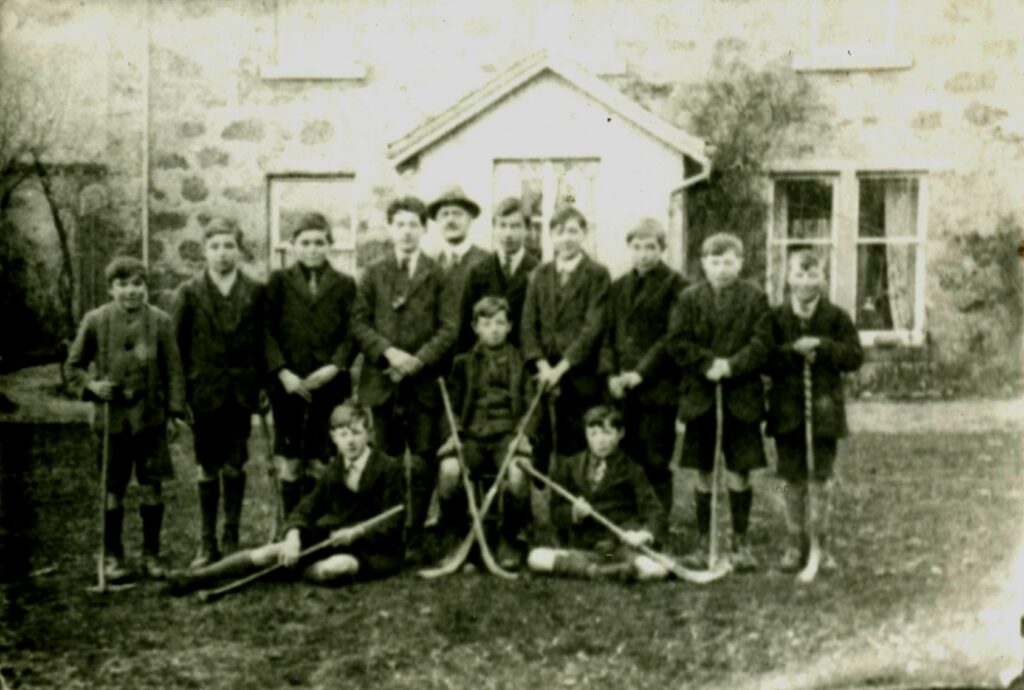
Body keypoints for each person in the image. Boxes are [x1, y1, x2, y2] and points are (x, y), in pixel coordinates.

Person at [166, 402, 405, 593]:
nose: (350, 441)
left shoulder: (388, 467)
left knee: (336, 569)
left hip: (374, 550)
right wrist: (293, 536)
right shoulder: (335, 468)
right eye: (343, 434)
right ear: (333, 437)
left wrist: (358, 533)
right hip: (332, 537)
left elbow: (394, 522)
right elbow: (306, 508)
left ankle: (299, 570)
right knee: (269, 552)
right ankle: (196, 577)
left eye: (356, 433)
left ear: (368, 434)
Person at [351, 196, 457, 565]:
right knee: (387, 460)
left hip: (423, 383)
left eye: (414, 224)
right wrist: (389, 354)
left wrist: (418, 361)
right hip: (383, 381)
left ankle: (415, 534)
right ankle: (388, 531)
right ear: (390, 229)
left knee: (423, 461)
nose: (407, 231)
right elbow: (358, 323)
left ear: (423, 229)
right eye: (400, 224)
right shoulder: (373, 272)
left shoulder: (438, 274)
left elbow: (449, 327)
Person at [65, 256, 186, 580]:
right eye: (123, 285)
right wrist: (92, 385)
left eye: (137, 284)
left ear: (146, 287)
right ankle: (112, 556)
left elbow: (174, 371)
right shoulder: (96, 320)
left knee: (152, 488)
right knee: (112, 489)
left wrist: (174, 413)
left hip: (150, 420)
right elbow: (72, 367)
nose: (131, 291)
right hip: (111, 420)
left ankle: (151, 555)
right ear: (110, 288)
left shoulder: (160, 321)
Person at [666, 233, 772, 571]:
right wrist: (707, 363)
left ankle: (740, 542)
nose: (722, 269)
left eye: (729, 262)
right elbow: (677, 341)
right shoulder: (688, 298)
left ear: (740, 263)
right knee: (703, 472)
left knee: (739, 471)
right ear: (703, 263)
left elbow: (762, 342)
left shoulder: (755, 298)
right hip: (701, 397)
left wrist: (732, 365)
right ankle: (703, 542)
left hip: (741, 399)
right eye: (715, 262)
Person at [172, 219, 266, 566]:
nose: (222, 254)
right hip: (204, 393)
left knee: (236, 464)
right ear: (204, 251)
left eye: (229, 246)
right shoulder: (189, 292)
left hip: (241, 393)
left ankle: (232, 535)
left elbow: (263, 343)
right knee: (207, 466)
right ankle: (207, 541)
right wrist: (178, 398)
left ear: (239, 250)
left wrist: (263, 387)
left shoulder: (255, 291)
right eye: (215, 246)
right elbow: (176, 349)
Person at [766, 248, 863, 572]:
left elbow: (853, 356)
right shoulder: (775, 317)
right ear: (787, 278)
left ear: (823, 279)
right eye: (798, 274)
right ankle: (795, 543)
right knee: (790, 477)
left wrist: (822, 346)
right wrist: (793, 351)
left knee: (821, 476)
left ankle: (822, 543)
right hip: (787, 411)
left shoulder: (836, 317)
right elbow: (763, 357)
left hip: (823, 410)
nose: (805, 282)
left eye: (813, 274)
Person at [264, 212, 358, 518]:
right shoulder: (278, 282)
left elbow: (353, 331)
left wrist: (335, 366)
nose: (312, 249)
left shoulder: (345, 284)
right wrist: (282, 372)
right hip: (289, 384)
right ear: (293, 246)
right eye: (305, 242)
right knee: (290, 458)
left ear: (329, 245)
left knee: (323, 454)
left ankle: (320, 521)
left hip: (329, 383)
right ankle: (290, 522)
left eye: (319, 242)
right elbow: (265, 331)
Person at [599, 218, 688, 539]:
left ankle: (657, 528)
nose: (643, 254)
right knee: (625, 458)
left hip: (657, 391)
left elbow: (671, 338)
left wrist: (640, 373)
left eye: (650, 247)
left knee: (654, 461)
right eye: (637, 247)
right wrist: (610, 374)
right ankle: (628, 523)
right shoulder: (618, 287)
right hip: (620, 391)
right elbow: (607, 335)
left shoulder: (677, 285)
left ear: (662, 249)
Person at [436, 296, 536, 568]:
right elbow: (450, 409)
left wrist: (524, 434)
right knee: (448, 471)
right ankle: (456, 536)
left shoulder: (522, 363)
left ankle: (509, 537)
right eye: (487, 323)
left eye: (500, 323)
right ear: (475, 327)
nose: (494, 329)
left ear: (510, 326)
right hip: (471, 439)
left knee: (518, 473)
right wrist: (453, 432)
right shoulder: (463, 363)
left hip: (507, 438)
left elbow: (532, 406)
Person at [526, 406, 667, 581]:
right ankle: (603, 572)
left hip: (616, 548)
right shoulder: (570, 466)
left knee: (652, 569)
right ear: (585, 434)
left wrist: (643, 535)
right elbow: (556, 513)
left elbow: (655, 511)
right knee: (536, 558)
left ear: (620, 433)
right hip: (584, 549)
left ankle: (601, 570)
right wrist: (574, 514)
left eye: (606, 433)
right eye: (593, 433)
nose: (600, 441)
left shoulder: (632, 470)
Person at [521, 206, 610, 473]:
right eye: (560, 232)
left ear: (584, 234)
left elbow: (592, 328)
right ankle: (546, 499)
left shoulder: (597, 274)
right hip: (543, 375)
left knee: (575, 445)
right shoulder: (540, 274)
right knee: (541, 440)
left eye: (573, 231)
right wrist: (541, 365)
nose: (566, 238)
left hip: (579, 375)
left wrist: (561, 368)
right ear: (551, 236)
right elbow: (528, 324)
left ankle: (573, 504)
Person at [462, 197, 539, 348]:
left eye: (515, 226)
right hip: (484, 361)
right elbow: (465, 325)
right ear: (494, 228)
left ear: (527, 230)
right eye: (502, 226)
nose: (508, 234)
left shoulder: (539, 271)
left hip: (524, 360)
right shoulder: (478, 271)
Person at [427, 186, 491, 356]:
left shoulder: (487, 262)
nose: (450, 220)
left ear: (470, 219)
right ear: (437, 221)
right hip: (435, 359)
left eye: (457, 213)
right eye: (444, 214)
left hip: (475, 355)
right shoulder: (428, 264)